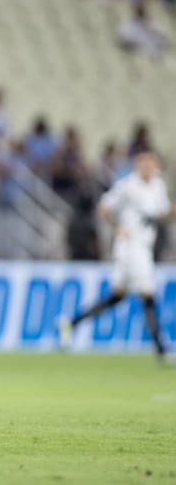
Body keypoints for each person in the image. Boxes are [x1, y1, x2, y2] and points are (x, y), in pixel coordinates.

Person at [58, 150, 175, 363]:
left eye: (151, 164)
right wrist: (117, 227)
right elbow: (103, 207)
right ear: (137, 165)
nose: (148, 167)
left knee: (117, 296)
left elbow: (161, 215)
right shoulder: (127, 186)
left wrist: (171, 211)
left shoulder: (157, 186)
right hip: (131, 247)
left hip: (144, 245)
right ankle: (161, 350)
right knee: (147, 293)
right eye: (144, 163)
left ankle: (70, 323)